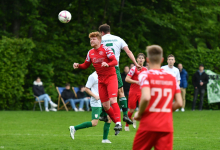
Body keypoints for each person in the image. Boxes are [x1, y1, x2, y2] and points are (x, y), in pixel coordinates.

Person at [73, 31, 130, 132]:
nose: (91, 41)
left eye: (94, 39)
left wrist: (108, 64)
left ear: (99, 40)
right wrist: (79, 65)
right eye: (90, 39)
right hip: (101, 80)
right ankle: (117, 123)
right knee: (105, 105)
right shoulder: (90, 52)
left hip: (111, 77)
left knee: (113, 100)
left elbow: (115, 61)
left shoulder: (106, 49)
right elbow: (86, 65)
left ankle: (118, 122)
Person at [132, 45, 182, 150]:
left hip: (148, 125)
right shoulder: (172, 78)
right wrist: (166, 111)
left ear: (147, 60)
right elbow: (179, 103)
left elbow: (145, 97)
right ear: (162, 60)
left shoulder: (145, 75)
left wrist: (139, 113)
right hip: (166, 126)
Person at [99, 23, 138, 124]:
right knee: (120, 91)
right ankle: (125, 115)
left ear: (101, 32)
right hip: (113, 68)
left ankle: (103, 114)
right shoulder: (118, 39)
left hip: (101, 68)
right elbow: (128, 52)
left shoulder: (100, 40)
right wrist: (135, 63)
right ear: (109, 31)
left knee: (104, 90)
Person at [69, 71, 112, 143]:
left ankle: (105, 139)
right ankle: (74, 128)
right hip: (96, 101)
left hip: (103, 100)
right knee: (94, 123)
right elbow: (86, 89)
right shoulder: (93, 76)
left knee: (109, 118)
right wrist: (95, 96)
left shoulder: (104, 74)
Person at [125, 53, 148, 131]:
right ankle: (126, 125)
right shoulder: (133, 69)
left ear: (144, 60)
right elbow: (126, 79)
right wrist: (136, 82)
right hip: (133, 92)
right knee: (131, 110)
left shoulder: (146, 70)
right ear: (137, 59)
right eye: (139, 58)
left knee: (143, 109)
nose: (141, 59)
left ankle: (136, 119)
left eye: (142, 58)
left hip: (142, 92)